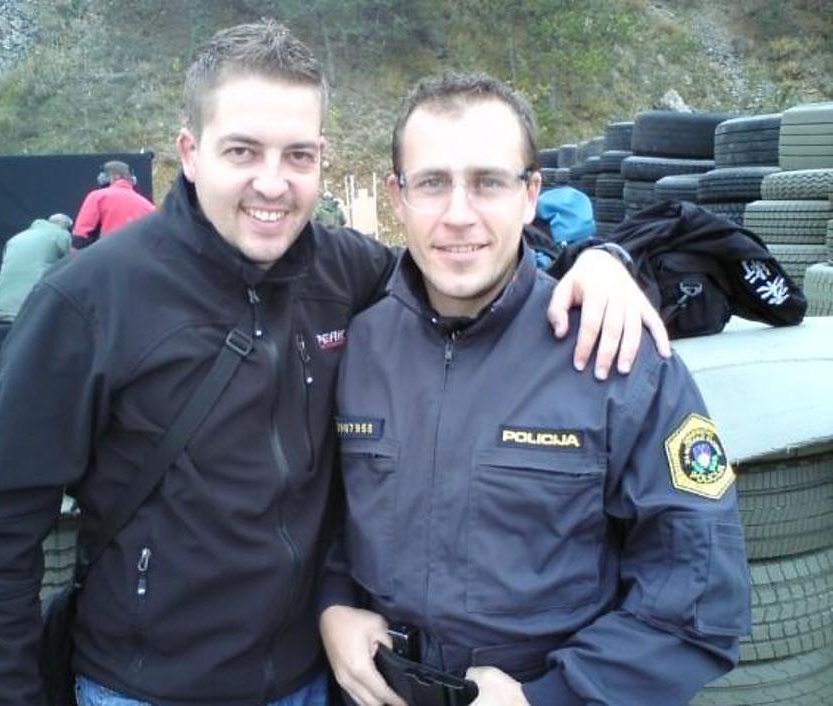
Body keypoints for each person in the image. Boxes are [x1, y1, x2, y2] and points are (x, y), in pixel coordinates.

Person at [0, 21, 669, 706]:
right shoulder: (89, 302)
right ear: (190, 153)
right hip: (145, 688)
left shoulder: (345, 270)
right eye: (242, 152)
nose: (273, 183)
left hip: (315, 680)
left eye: (298, 155)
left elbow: (461, 255)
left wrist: (598, 260)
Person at [319, 74, 750, 706]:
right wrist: (332, 603)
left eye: (488, 182)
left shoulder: (617, 355)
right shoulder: (358, 347)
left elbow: (699, 599)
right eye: (432, 182)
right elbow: (326, 518)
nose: (458, 214)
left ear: (530, 195)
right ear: (397, 196)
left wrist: (550, 696)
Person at [0, 213, 73, 315]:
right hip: (36, 293)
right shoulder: (61, 233)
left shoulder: (15, 239)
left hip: (2, 294)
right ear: (63, 225)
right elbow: (73, 262)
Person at [71, 160, 155, 249]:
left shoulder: (98, 197)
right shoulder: (148, 206)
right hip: (139, 255)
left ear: (111, 177)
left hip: (106, 253)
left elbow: (80, 238)